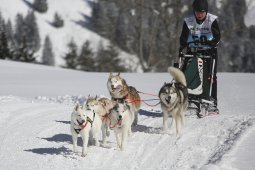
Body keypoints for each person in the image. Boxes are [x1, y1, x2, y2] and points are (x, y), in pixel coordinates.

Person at [179, 0, 221, 112]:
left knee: (211, 76)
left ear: (206, 12)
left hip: (209, 51)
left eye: (202, 12)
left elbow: (217, 37)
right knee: (183, 72)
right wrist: (182, 47)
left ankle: (212, 102)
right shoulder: (188, 21)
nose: (200, 14)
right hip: (193, 50)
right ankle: (187, 96)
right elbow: (183, 37)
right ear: (194, 11)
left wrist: (211, 44)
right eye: (197, 12)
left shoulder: (211, 20)